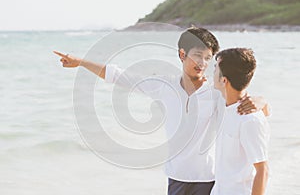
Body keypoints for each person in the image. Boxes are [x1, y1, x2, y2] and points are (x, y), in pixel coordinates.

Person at [54, 27, 269, 195]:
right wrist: (81, 62)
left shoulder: (216, 92)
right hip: (176, 177)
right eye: (197, 55)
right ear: (182, 54)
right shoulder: (164, 85)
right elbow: (119, 76)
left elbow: (245, 100)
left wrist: (261, 100)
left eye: (207, 57)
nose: (202, 63)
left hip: (208, 180)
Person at [212, 48, 270, 195]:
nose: (211, 74)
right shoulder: (225, 106)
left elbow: (263, 170)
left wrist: (263, 102)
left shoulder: (249, 119)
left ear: (223, 80)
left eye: (215, 69)